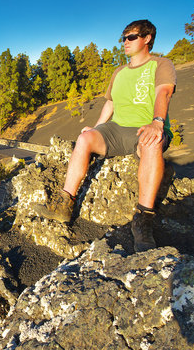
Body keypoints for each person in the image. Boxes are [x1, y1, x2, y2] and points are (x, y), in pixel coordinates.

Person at [37, 19, 176, 252]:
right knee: (84, 139)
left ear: (147, 38)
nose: (126, 42)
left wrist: (157, 123)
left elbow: (164, 93)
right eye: (123, 38)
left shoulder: (161, 64)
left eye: (131, 37)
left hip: (146, 127)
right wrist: (96, 128)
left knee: (152, 143)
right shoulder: (119, 72)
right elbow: (110, 104)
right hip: (116, 129)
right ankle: (64, 204)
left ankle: (143, 220)